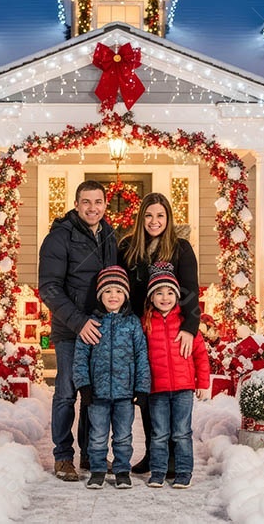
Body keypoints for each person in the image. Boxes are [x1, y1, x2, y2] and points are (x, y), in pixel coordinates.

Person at [38, 180, 118, 482]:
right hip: (71, 329)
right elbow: (49, 287)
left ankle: (90, 454)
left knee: (92, 395)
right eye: (86, 202)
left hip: (99, 328)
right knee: (66, 392)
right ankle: (62, 457)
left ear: (105, 204)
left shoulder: (109, 235)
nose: (92, 207)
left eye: (98, 202)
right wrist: (78, 322)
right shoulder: (59, 237)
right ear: (76, 204)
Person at [117, 192, 200, 474]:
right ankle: (155, 453)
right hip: (139, 330)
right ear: (142, 218)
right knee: (146, 393)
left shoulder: (181, 249)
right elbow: (122, 291)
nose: (154, 221)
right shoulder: (128, 247)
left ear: (168, 218)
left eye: (160, 216)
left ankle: (176, 456)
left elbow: (190, 292)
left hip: (171, 330)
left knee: (173, 394)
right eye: (149, 215)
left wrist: (190, 328)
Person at [72, 266, 151, 490]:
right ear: (100, 295)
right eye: (107, 291)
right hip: (97, 393)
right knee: (97, 435)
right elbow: (80, 357)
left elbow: (141, 356)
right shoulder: (92, 323)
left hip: (125, 393)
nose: (113, 296)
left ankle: (122, 470)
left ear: (125, 294)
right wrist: (84, 386)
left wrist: (142, 387)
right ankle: (97, 470)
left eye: (118, 290)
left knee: (123, 435)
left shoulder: (132, 323)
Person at [142, 262, 210, 489]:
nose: (165, 297)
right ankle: (158, 471)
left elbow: (201, 355)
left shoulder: (186, 325)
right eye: (159, 293)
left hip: (183, 388)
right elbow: (139, 357)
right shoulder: (146, 325)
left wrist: (203, 382)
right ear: (151, 297)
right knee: (159, 433)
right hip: (157, 389)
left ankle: (183, 472)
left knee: (181, 432)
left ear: (177, 296)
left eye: (170, 292)